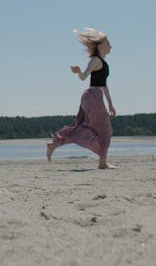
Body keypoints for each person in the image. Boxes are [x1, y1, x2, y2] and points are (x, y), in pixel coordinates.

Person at [46, 28, 116, 169]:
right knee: (105, 130)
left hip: (94, 96)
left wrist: (110, 104)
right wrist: (78, 71)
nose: (111, 46)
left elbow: (104, 84)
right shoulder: (96, 60)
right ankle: (102, 163)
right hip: (92, 96)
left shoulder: (103, 62)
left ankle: (54, 144)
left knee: (84, 127)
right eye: (108, 43)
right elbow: (84, 77)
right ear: (101, 46)